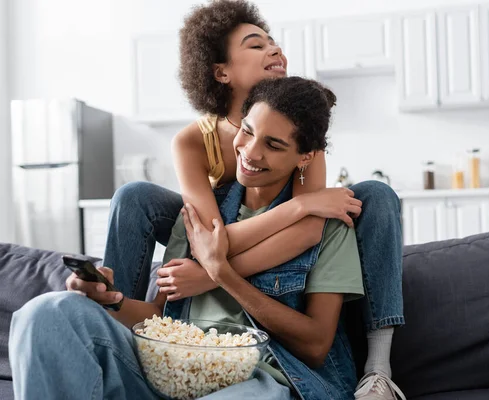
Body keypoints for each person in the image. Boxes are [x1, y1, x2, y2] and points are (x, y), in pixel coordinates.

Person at [103, 1, 405, 398]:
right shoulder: (194, 140)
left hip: (269, 235)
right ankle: (110, 317)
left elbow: (308, 232)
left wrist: (213, 271)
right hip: (221, 221)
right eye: (256, 46)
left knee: (375, 196)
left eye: (273, 43)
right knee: (134, 196)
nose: (274, 51)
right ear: (221, 72)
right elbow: (214, 236)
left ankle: (378, 370)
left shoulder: (300, 127)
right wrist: (209, 263)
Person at [12, 76, 377, 399]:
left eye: (274, 145)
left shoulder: (327, 225)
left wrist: (222, 274)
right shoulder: (203, 213)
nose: (250, 152)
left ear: (305, 157)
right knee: (46, 313)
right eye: (247, 131)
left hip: (261, 378)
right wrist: (111, 301)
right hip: (169, 370)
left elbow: (315, 346)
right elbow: (159, 314)